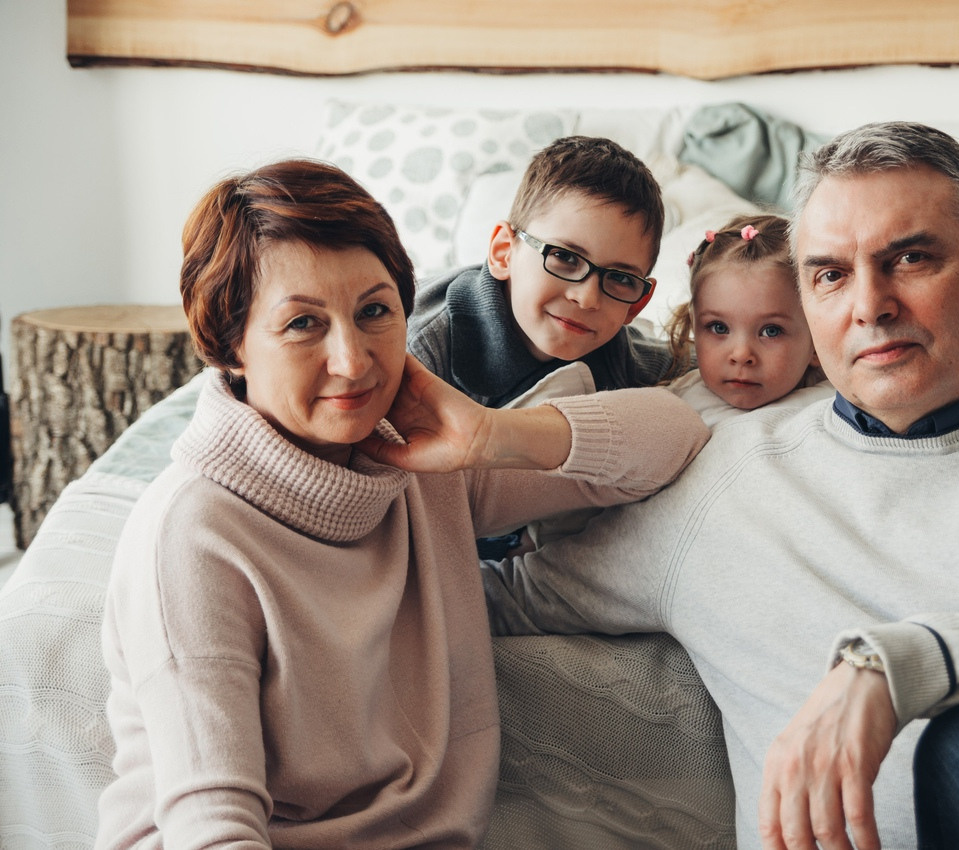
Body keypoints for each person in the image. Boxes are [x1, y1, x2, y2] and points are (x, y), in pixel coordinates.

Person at [481, 122, 959, 850]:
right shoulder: (716, 476)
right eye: (832, 274)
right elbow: (501, 595)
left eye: (911, 260)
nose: (870, 306)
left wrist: (892, 668)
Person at [94, 158, 710, 849]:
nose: (353, 362)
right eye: (302, 324)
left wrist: (489, 434)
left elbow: (672, 435)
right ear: (228, 343)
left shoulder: (418, 468)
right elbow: (212, 831)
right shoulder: (191, 539)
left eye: (374, 312)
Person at [406, 134, 674, 409]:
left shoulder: (621, 356)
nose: (587, 298)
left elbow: (697, 362)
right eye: (565, 257)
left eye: (620, 278)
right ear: (503, 253)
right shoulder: (418, 351)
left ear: (637, 305)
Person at [664, 213, 825, 426]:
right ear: (694, 325)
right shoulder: (674, 407)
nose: (741, 355)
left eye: (771, 331)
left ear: (817, 339)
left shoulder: (840, 410)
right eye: (719, 327)